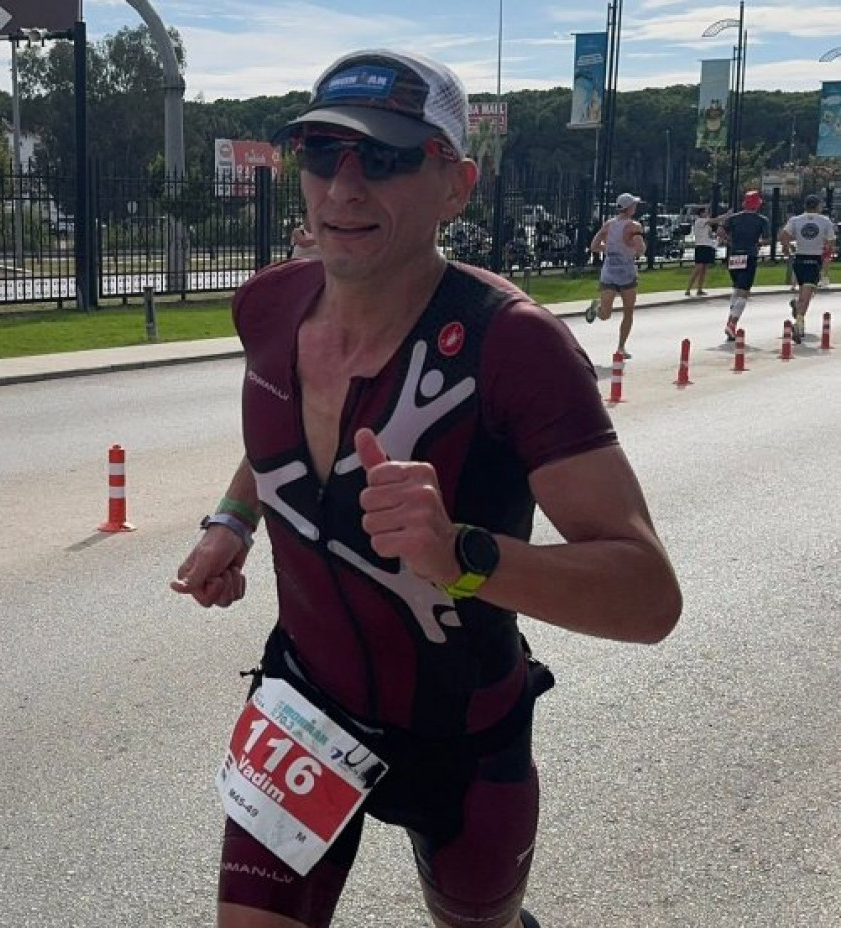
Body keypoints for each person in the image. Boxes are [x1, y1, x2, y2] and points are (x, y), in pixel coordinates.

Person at [171, 48, 681, 928]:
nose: (345, 186)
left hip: (464, 738)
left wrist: (462, 556)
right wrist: (234, 519)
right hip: (303, 712)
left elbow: (648, 597)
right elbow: (280, 433)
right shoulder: (268, 308)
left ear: (457, 185)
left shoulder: (514, 344)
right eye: (323, 153)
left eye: (388, 157)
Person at [585, 193, 646, 359]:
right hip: (626, 273)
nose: (636, 207)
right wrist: (633, 250)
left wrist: (609, 249)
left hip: (610, 271)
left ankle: (620, 346)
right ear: (629, 208)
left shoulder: (609, 224)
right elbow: (641, 249)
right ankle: (621, 347)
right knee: (627, 311)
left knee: (606, 314)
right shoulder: (634, 226)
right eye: (634, 205)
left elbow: (594, 246)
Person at [779, 194, 837, 344]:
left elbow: (783, 236)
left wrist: (787, 247)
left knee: (804, 291)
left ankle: (798, 311)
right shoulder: (824, 221)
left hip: (799, 259)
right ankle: (798, 324)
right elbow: (831, 242)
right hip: (814, 259)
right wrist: (826, 250)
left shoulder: (795, 220)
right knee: (807, 294)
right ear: (818, 206)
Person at [717, 190, 770, 341]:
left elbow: (720, 231)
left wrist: (729, 240)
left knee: (736, 287)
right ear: (757, 205)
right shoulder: (762, 220)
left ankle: (730, 319)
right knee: (744, 291)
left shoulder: (733, 218)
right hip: (750, 255)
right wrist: (758, 243)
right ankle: (732, 323)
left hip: (734, 254)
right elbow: (766, 239)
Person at [684, 206, 721, 297]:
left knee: (704, 270)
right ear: (701, 213)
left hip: (707, 246)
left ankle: (699, 289)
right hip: (701, 247)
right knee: (698, 268)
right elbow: (714, 220)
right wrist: (726, 215)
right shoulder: (700, 221)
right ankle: (688, 289)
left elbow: (710, 235)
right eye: (705, 212)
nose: (707, 214)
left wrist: (716, 238)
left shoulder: (707, 225)